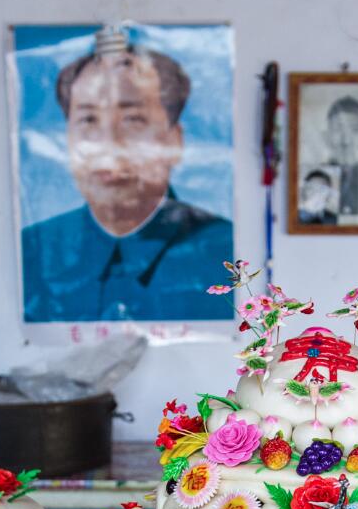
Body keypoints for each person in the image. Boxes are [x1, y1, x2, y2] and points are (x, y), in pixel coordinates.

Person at [19, 40, 232, 323]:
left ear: (175, 140)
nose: (108, 144)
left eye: (133, 120)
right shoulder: (32, 251)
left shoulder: (223, 251)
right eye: (88, 120)